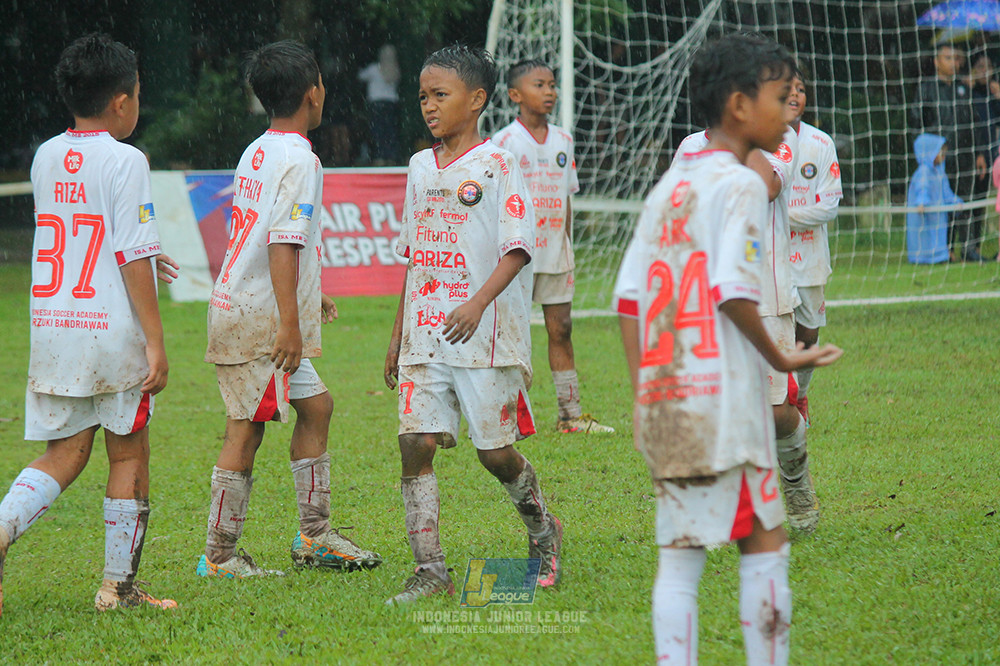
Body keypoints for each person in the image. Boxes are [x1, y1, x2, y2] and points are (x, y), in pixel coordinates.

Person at [614, 33, 843, 664]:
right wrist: (782, 357)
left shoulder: (670, 187)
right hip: (725, 400)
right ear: (739, 106)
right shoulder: (741, 185)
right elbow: (732, 290)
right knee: (765, 545)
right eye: (778, 97)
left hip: (669, 397)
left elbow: (629, 299)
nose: (788, 112)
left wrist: (644, 393)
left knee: (680, 557)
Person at [0, 33, 177, 614]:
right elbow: (127, 253)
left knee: (65, 453)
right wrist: (155, 342)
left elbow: (85, 232)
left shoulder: (45, 155)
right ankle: (117, 589)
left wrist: (146, 250)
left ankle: (1, 529)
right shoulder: (127, 159)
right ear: (122, 102)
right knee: (127, 454)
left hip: (56, 327)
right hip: (111, 332)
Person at [383, 45, 562, 604]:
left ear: (477, 99)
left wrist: (478, 303)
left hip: (484, 337)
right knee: (415, 442)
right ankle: (430, 569)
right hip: (424, 334)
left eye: (441, 95)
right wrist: (398, 336)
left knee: (495, 455)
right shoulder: (419, 167)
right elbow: (415, 256)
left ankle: (544, 532)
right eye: (423, 97)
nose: (429, 106)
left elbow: (518, 250)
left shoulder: (499, 165)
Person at [198, 40, 381, 579]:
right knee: (245, 430)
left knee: (317, 407)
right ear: (312, 93)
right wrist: (290, 323)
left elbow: (259, 234)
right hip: (260, 320)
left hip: (247, 305)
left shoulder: (257, 149)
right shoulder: (301, 159)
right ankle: (219, 557)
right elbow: (282, 241)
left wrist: (306, 294)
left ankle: (314, 536)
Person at [672, 88, 817, 533]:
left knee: (773, 413)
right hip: (705, 300)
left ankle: (796, 478)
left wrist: (743, 141)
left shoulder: (778, 139)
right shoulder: (689, 148)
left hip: (766, 297)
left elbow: (767, 188)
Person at [493, 59, 613, 435]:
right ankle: (506, 417)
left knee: (561, 329)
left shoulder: (563, 140)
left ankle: (570, 415)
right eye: (539, 85)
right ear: (515, 95)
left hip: (555, 251)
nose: (550, 92)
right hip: (517, 255)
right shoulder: (504, 143)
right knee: (511, 335)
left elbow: (567, 198)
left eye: (552, 85)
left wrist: (567, 243)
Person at [786, 73, 844, 424]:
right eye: (788, 89)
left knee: (807, 335)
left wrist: (781, 217)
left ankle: (801, 395)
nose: (795, 95)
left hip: (810, 258)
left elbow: (829, 207)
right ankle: (780, 402)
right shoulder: (757, 141)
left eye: (801, 89)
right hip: (771, 258)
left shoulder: (820, 143)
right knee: (774, 331)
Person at [910, 42, 990, 262]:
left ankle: (969, 248)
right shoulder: (926, 89)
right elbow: (916, 125)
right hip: (940, 160)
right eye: (948, 58)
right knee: (941, 204)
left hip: (966, 156)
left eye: (956, 58)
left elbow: (975, 122)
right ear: (937, 62)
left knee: (966, 202)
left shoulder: (963, 89)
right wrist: (927, 155)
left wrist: (980, 153)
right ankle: (945, 250)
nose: (954, 63)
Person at [907, 134, 959, 264]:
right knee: (924, 236)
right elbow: (922, 187)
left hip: (938, 215)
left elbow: (946, 192)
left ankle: (939, 256)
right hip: (925, 213)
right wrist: (922, 202)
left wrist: (955, 202)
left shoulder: (940, 173)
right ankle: (921, 258)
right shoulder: (924, 171)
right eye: (941, 153)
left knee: (938, 234)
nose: (943, 156)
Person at [358, 44, 401, 165]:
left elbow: (361, 76)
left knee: (378, 131)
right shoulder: (395, 70)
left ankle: (379, 157)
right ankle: (391, 156)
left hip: (377, 103)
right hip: (391, 103)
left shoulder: (374, 69)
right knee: (390, 131)